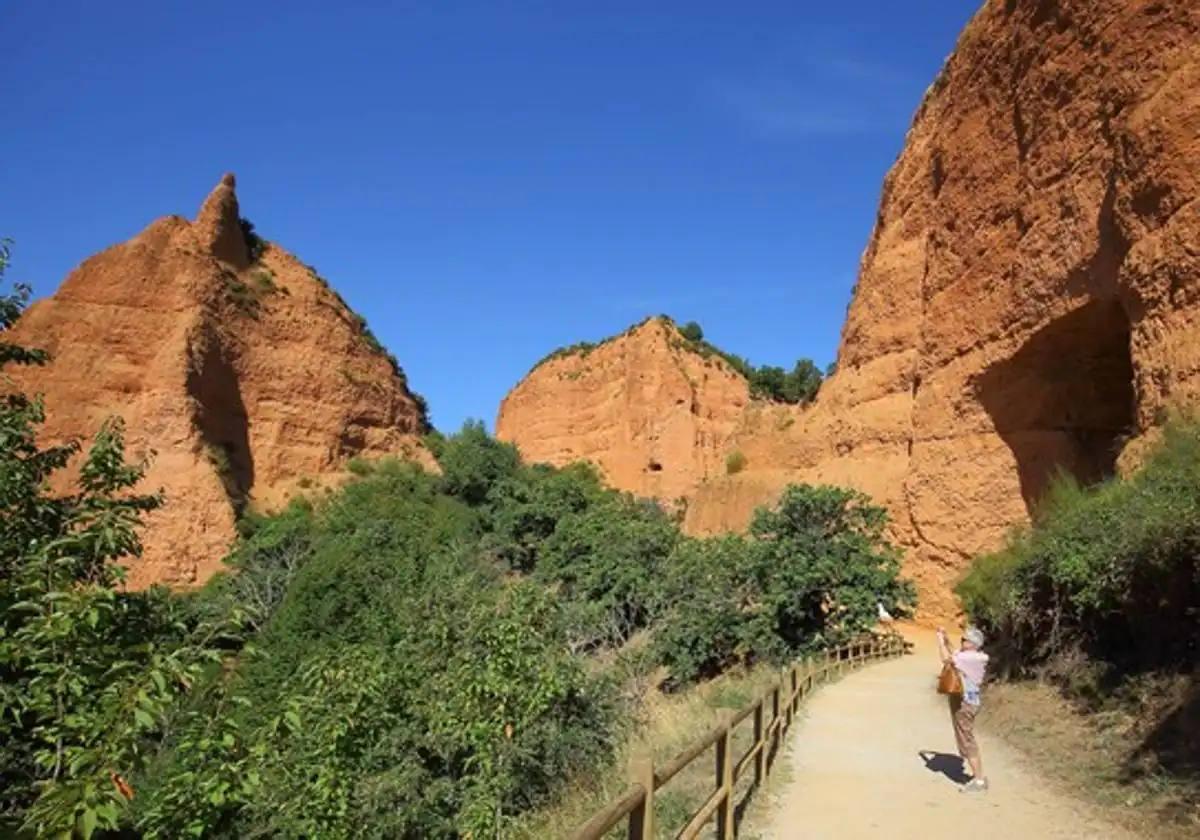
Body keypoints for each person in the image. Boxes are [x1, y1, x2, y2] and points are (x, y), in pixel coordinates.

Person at [937, 625, 989, 793]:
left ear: (973, 644)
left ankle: (979, 780)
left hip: (965, 703)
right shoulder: (972, 656)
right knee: (965, 737)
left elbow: (946, 659)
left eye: (965, 640)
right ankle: (978, 777)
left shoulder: (972, 659)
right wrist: (946, 638)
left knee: (967, 739)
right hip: (966, 701)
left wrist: (939, 640)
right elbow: (955, 654)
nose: (962, 641)